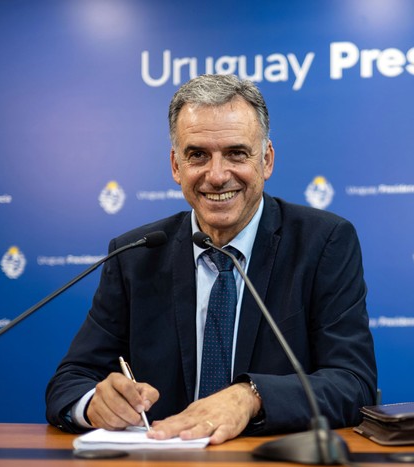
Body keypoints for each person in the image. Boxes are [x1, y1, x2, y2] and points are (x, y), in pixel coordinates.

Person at [45, 74, 377, 444]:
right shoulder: (136, 253)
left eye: (236, 153)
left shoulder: (324, 242)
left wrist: (249, 397)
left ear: (266, 160)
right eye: (198, 155)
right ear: (176, 166)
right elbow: (70, 380)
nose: (217, 176)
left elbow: (353, 383)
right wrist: (94, 403)